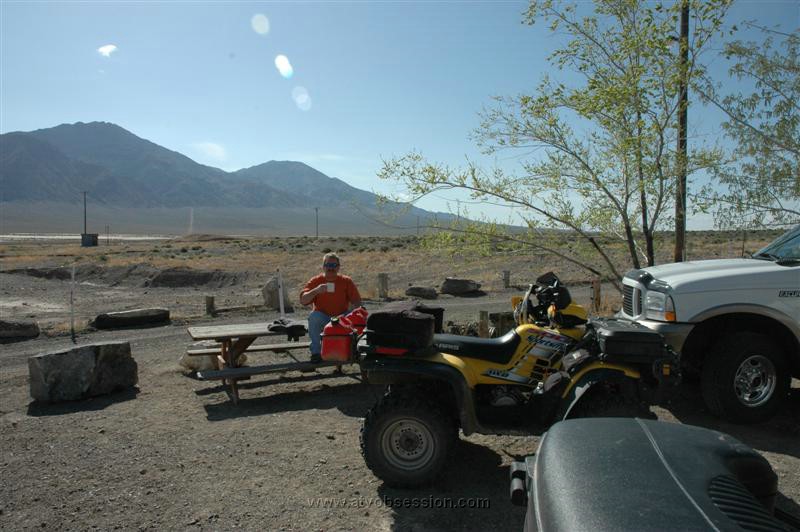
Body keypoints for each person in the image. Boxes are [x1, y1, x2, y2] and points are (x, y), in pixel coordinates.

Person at [300, 252, 362, 363]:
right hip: (323, 317)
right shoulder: (316, 281)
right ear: (323, 267)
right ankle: (316, 353)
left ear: (338, 267)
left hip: (341, 319)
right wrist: (316, 291)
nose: (331, 268)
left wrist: (354, 314)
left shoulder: (346, 281)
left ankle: (351, 351)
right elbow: (303, 300)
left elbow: (357, 301)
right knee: (314, 317)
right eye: (328, 265)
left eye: (334, 265)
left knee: (355, 317)